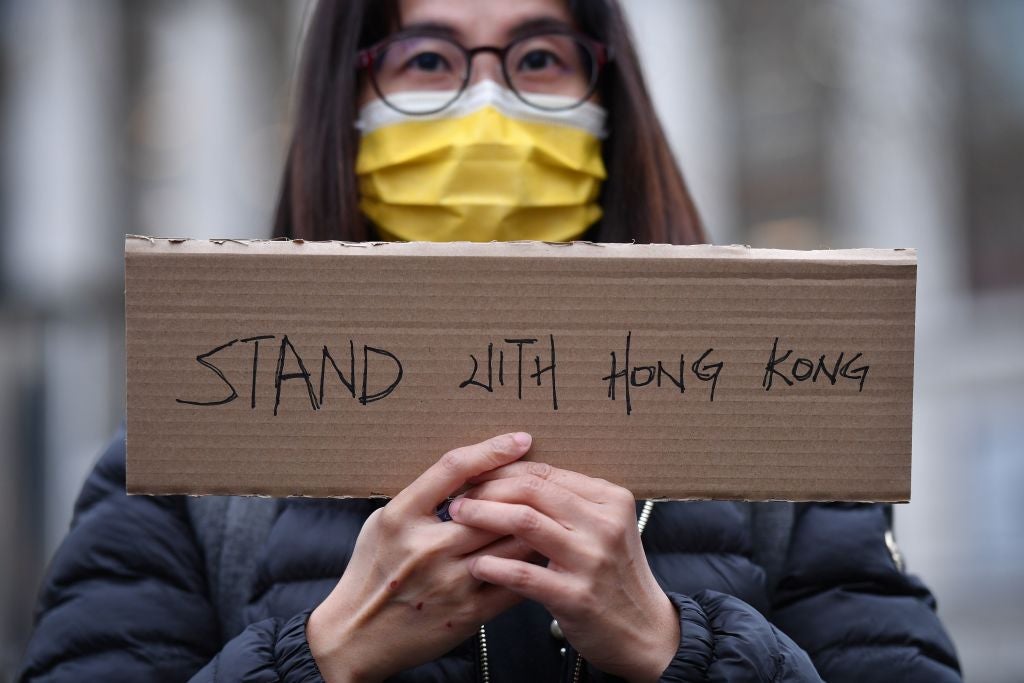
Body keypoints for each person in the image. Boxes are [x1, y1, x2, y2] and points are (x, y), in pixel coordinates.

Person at [19, 1, 962, 681]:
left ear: (609, 101)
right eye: (427, 61)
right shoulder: (188, 451)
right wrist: (324, 653)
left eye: (540, 57)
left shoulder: (776, 428)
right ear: (344, 106)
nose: (487, 107)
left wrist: (676, 645)